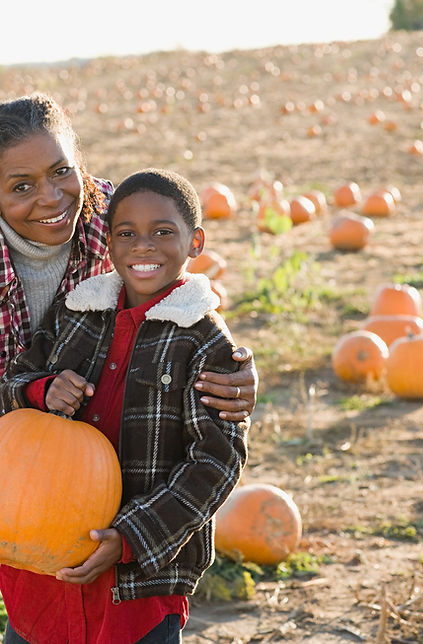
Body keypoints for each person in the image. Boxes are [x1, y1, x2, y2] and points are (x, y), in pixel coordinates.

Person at [0, 168, 250, 643]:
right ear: (108, 244)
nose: (143, 246)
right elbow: (13, 380)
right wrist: (41, 390)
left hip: (136, 587)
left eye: (163, 232)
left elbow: (216, 461)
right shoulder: (75, 313)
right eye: (127, 233)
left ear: (195, 242)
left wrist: (131, 539)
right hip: (41, 572)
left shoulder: (203, 342)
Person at [0, 92, 257, 421]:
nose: (52, 198)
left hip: (85, 436)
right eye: (22, 186)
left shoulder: (109, 216)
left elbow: (169, 270)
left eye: (61, 171)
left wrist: (225, 361)